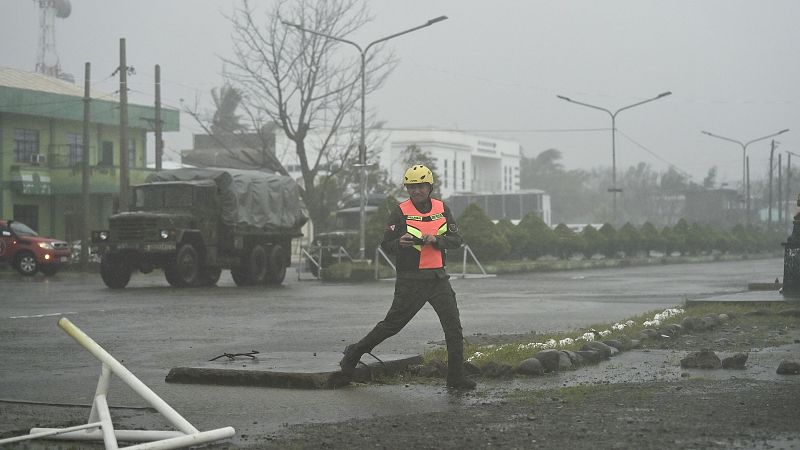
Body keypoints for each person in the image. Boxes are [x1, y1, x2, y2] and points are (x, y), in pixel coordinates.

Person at [339, 164, 476, 390]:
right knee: (392, 325)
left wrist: (436, 240)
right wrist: (399, 243)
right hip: (411, 280)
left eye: (420, 186)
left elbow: (456, 239)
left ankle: (456, 377)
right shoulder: (400, 211)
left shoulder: (442, 209)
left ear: (429, 187)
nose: (416, 191)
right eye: (411, 187)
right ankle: (353, 353)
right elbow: (386, 244)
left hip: (438, 279)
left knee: (453, 328)